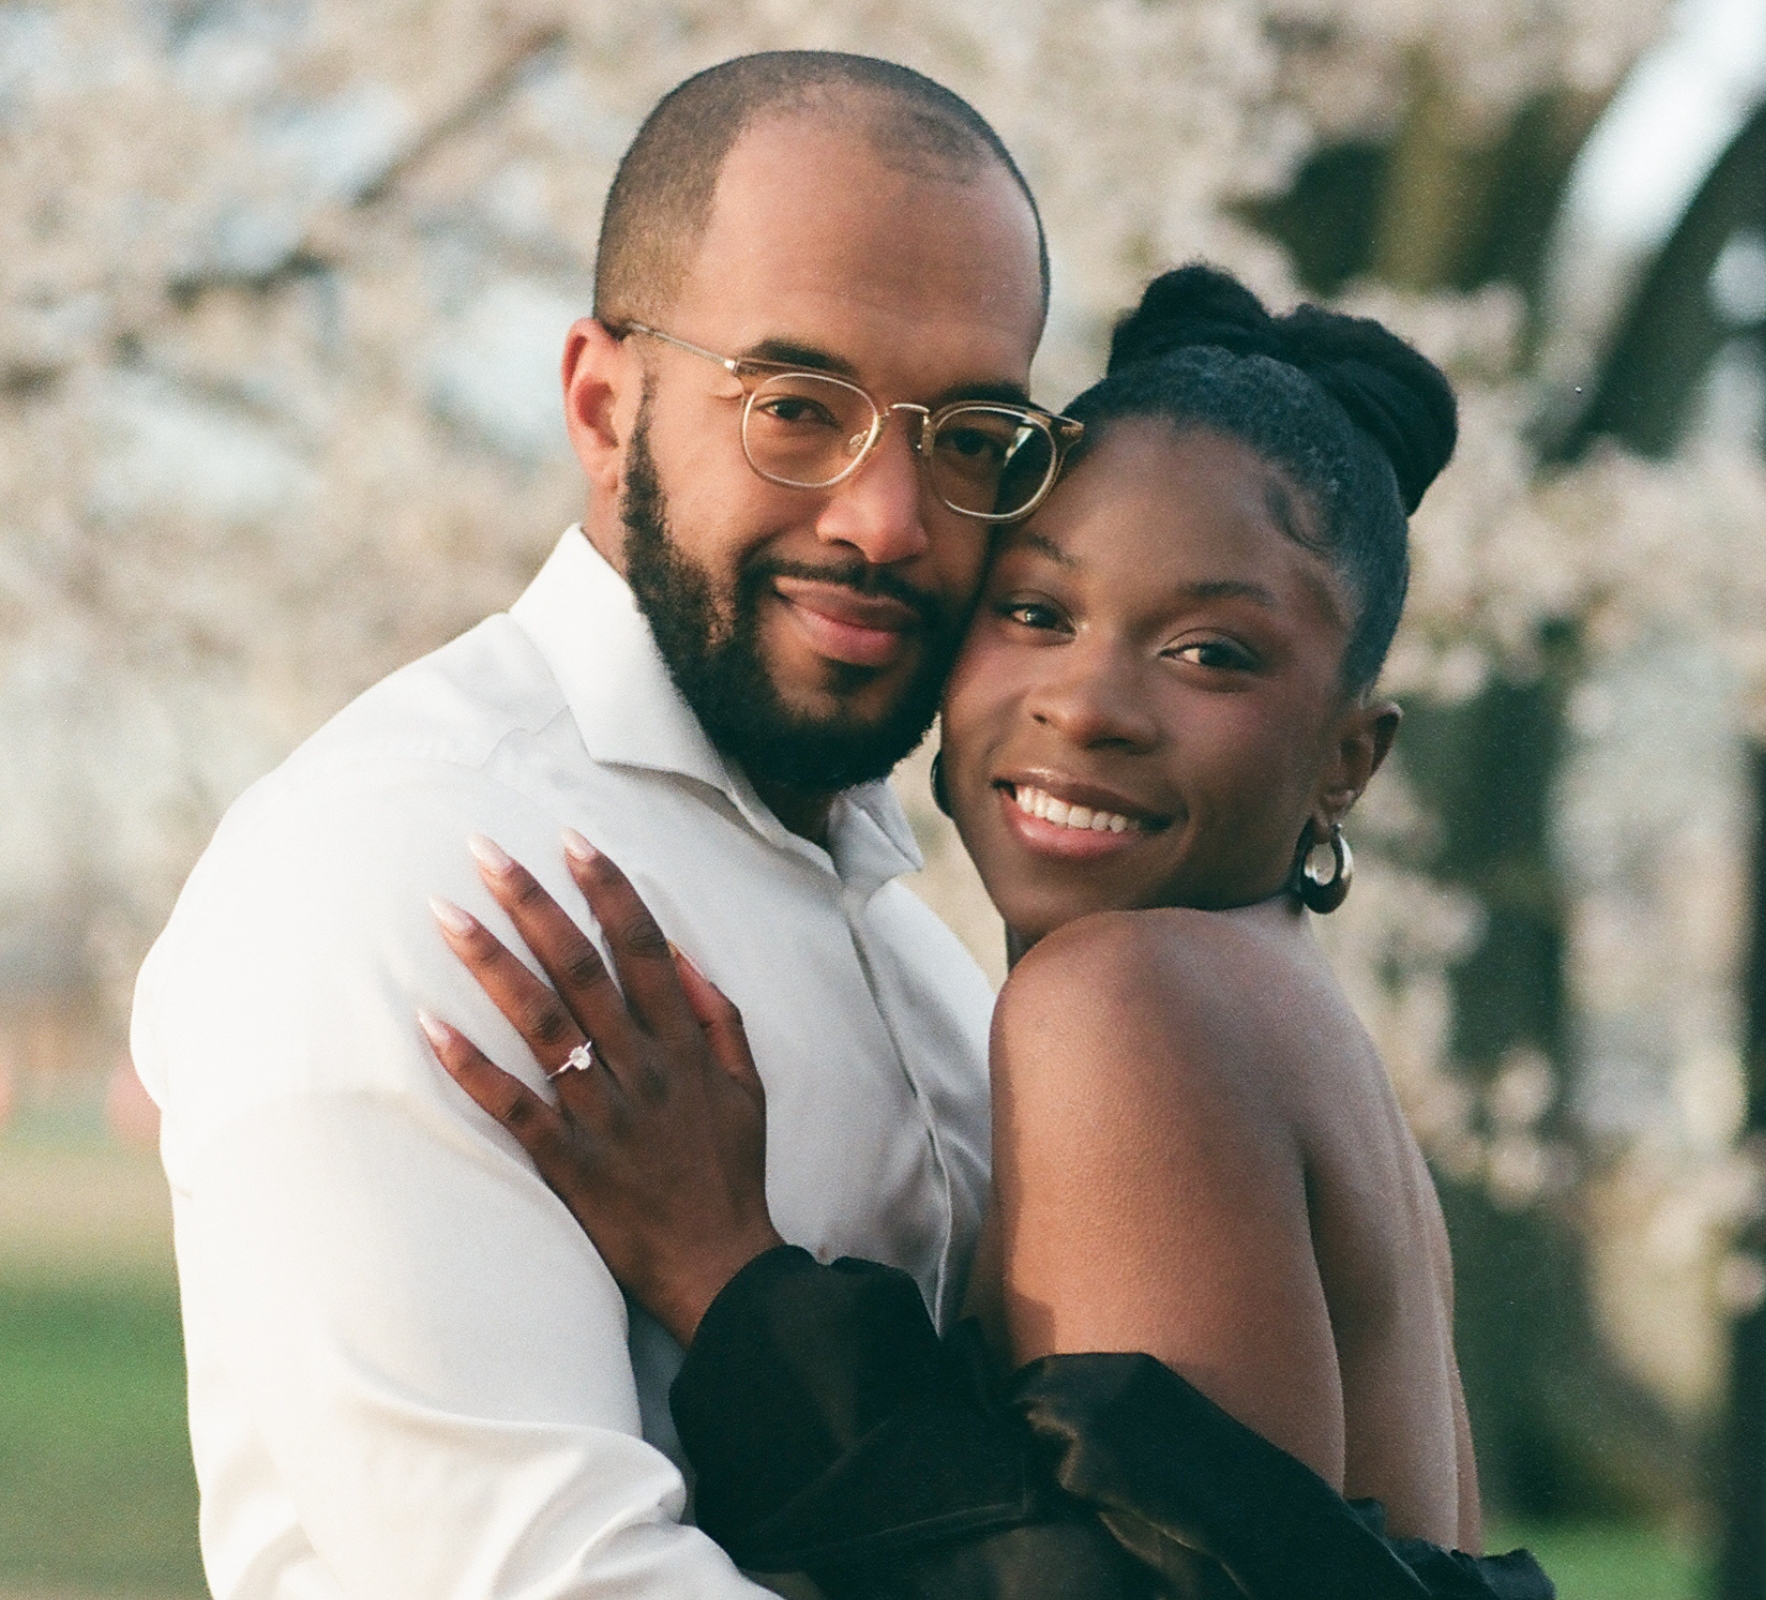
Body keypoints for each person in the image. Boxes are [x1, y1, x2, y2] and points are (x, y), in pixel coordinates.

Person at [424, 267, 1556, 1598]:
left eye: (1210, 654)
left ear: (1348, 761)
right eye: (1036, 613)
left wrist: (727, 1281)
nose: (1089, 706)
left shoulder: (1124, 996)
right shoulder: (1273, 1010)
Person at [131, 52, 1058, 1598]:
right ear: (601, 403)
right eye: (795, 407)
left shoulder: (917, 940)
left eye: (968, 435)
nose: (887, 516)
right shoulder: (402, 869)